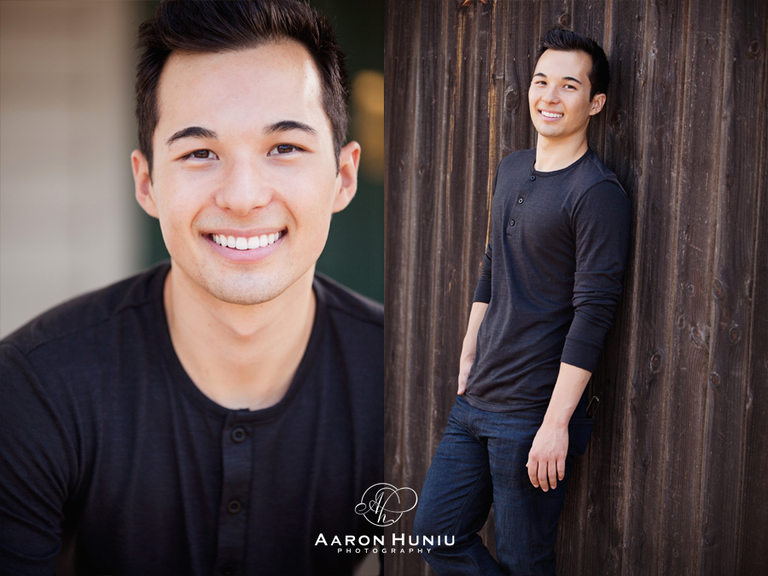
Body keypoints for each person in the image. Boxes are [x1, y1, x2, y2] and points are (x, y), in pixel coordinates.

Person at [0, 1, 383, 574]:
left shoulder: (408, 379)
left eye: (285, 147)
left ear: (343, 176)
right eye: (200, 153)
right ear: (148, 183)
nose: (243, 196)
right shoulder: (34, 389)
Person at [413, 28, 631, 575]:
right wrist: (469, 349)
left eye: (568, 86)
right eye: (541, 82)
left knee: (522, 561)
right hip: (477, 400)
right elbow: (493, 264)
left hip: (532, 414)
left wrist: (556, 423)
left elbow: (594, 313)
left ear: (595, 102)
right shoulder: (511, 169)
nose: (549, 97)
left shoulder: (597, 193)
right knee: (436, 533)